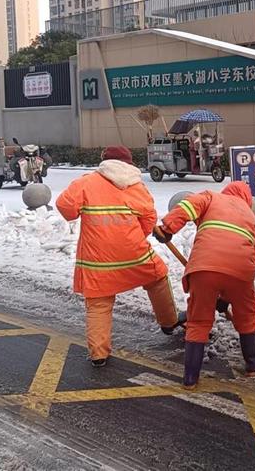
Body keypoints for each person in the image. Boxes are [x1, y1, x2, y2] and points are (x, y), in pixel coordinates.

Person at [56, 146, 185, 367]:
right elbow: (148, 219)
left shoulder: (86, 182)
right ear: (129, 163)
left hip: (96, 260)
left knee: (98, 303)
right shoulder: (137, 186)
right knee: (157, 276)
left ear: (104, 161)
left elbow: (65, 207)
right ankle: (169, 321)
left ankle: (98, 354)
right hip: (134, 255)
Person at [154, 182, 255, 389]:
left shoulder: (212, 197)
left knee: (198, 322)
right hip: (241, 271)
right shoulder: (251, 217)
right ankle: (252, 363)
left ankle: (190, 378)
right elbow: (252, 253)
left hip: (204, 267)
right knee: (247, 315)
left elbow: (188, 206)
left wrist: (167, 228)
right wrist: (228, 297)